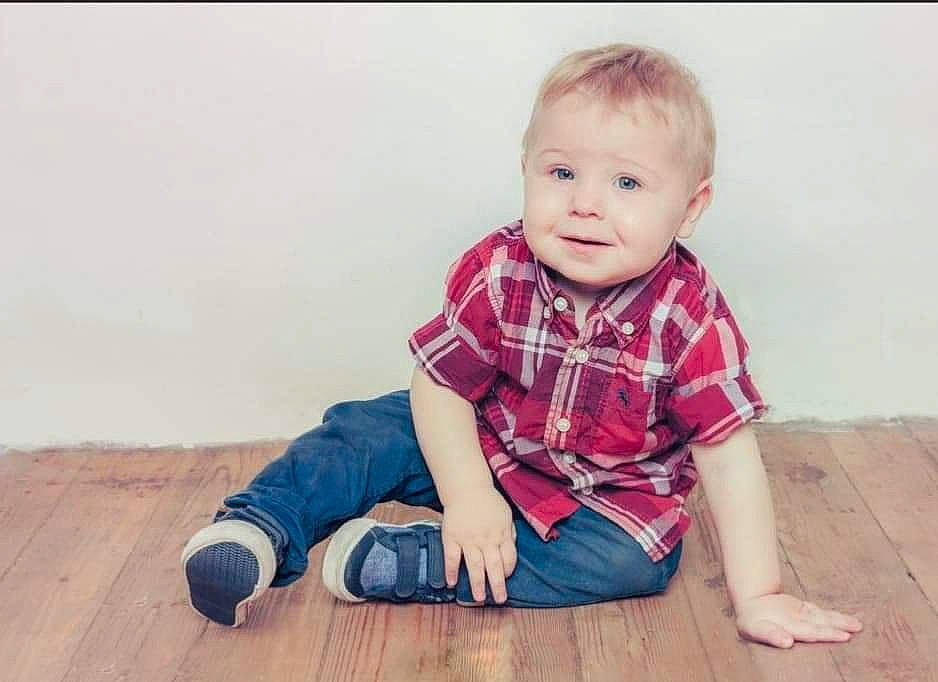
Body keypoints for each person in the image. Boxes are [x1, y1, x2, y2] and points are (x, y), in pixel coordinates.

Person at [181, 43, 863, 648]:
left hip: (602, 499)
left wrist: (761, 594)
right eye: (561, 173)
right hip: (481, 442)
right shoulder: (497, 268)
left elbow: (727, 455)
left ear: (689, 208)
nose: (586, 203)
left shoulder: (691, 319)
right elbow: (441, 387)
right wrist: (471, 496)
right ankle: (257, 530)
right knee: (369, 429)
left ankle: (407, 562)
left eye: (626, 183)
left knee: (638, 562)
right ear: (527, 170)